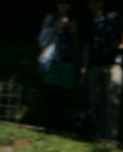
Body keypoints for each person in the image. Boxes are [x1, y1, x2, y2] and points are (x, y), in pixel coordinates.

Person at [83, 0, 123, 142]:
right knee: (95, 102)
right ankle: (96, 134)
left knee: (112, 102)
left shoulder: (115, 18)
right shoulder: (89, 23)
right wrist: (83, 69)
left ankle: (111, 138)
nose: (94, 5)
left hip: (113, 65)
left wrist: (114, 49)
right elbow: (86, 48)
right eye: (91, 2)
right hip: (95, 66)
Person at [38, 1, 79, 132]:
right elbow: (42, 39)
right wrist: (56, 29)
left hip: (66, 60)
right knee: (50, 93)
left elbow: (76, 44)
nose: (64, 7)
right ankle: (47, 125)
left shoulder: (73, 21)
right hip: (51, 60)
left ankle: (60, 126)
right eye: (61, 4)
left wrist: (73, 32)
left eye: (67, 4)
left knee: (63, 95)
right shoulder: (50, 18)